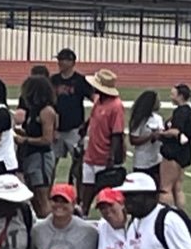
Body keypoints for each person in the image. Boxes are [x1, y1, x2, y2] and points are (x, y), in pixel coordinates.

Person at [80, 69, 126, 215]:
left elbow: (117, 133)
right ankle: (84, 210)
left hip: (103, 153)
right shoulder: (98, 101)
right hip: (91, 151)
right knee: (86, 184)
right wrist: (85, 126)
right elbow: (93, 117)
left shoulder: (116, 106)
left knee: (104, 188)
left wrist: (111, 156)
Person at [50, 49, 93, 190]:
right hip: (56, 129)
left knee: (78, 164)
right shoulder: (53, 80)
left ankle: (76, 192)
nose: (60, 63)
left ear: (71, 62)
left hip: (74, 128)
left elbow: (95, 99)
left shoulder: (80, 81)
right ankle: (49, 191)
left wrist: (89, 121)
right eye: (59, 60)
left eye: (63, 60)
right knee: (51, 164)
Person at [15, 75, 58, 217]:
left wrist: (25, 140)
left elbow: (47, 139)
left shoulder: (46, 112)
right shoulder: (33, 111)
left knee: (42, 197)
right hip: (31, 156)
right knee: (34, 197)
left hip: (40, 158)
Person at [159, 85, 191, 209]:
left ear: (180, 96)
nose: (171, 97)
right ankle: (181, 215)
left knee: (166, 187)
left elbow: (175, 131)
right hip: (184, 152)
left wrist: (161, 134)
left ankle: (165, 215)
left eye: (173, 94)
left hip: (173, 152)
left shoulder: (180, 111)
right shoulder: (189, 110)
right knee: (178, 188)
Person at [128, 90, 165, 186]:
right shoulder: (139, 120)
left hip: (156, 159)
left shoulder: (158, 118)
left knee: (156, 186)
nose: (159, 103)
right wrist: (150, 136)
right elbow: (133, 140)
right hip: (142, 161)